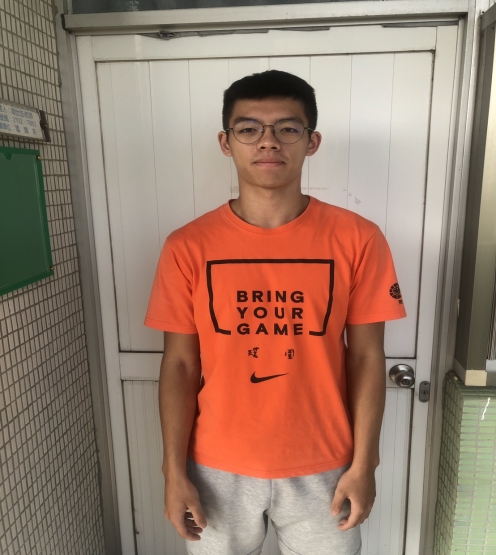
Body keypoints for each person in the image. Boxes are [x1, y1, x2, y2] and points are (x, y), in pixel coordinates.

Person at [144, 69, 406, 555]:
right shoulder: (187, 246)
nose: (268, 142)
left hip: (325, 464)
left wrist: (365, 464)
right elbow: (179, 363)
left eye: (288, 128)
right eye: (249, 129)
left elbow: (367, 357)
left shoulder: (358, 238)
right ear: (226, 142)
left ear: (312, 141)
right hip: (216, 466)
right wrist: (173, 471)